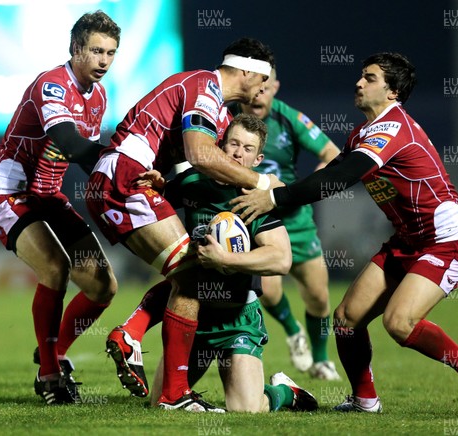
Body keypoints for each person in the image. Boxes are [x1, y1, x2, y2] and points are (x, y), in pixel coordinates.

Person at [230, 52, 458, 417]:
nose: (358, 82)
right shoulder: (362, 133)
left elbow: (341, 177)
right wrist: (276, 194)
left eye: (369, 78)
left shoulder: (393, 127)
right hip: (408, 241)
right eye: (361, 76)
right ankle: (365, 400)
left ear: (393, 92)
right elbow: (329, 174)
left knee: (399, 323)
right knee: (347, 318)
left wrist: (275, 197)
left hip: (448, 241)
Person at [85, 38, 280, 411]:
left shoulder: (221, 113)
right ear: (247, 71)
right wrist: (263, 184)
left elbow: (202, 162)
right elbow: (201, 155)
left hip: (123, 178)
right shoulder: (204, 86)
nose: (264, 89)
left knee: (188, 274)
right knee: (192, 275)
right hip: (125, 174)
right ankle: (162, 376)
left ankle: (136, 342)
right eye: (263, 79)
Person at [115, 114, 318, 412]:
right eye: (233, 143)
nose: (238, 153)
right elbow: (156, 210)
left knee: (245, 408)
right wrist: (157, 187)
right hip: (193, 315)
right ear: (220, 146)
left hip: (237, 318)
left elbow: (281, 258)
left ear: (258, 159)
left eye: (247, 149)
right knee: (161, 401)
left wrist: (226, 259)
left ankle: (286, 391)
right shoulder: (192, 182)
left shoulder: (255, 197)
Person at [0, 11, 121, 405]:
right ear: (76, 49)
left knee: (102, 285)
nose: (104, 61)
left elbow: (84, 159)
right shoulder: (53, 85)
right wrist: (123, 160)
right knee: (55, 268)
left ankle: (55, 350)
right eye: (96, 51)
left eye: (111, 53)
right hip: (9, 194)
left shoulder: (100, 95)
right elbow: (72, 143)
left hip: (48, 198)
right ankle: (49, 376)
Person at [238, 68, 342, 379]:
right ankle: (293, 329)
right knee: (268, 291)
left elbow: (332, 152)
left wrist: (307, 186)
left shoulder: (289, 118)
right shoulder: (228, 119)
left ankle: (322, 359)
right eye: (255, 87)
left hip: (295, 219)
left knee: (319, 296)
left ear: (275, 87)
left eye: (266, 87)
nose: (259, 94)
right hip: (257, 219)